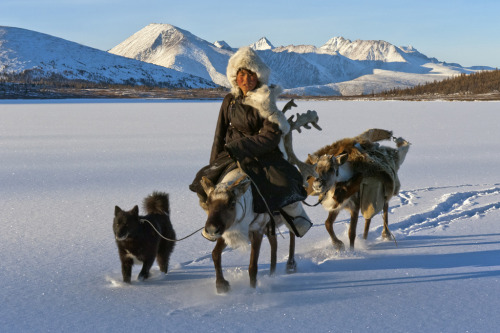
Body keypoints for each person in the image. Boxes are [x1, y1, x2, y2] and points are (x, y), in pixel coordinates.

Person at [189, 47, 312, 237]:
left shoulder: (266, 100)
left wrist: (240, 147)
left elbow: (271, 136)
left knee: (286, 182)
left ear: (258, 76)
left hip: (261, 156)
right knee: (202, 181)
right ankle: (214, 221)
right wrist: (213, 163)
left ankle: (297, 219)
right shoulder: (229, 100)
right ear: (235, 77)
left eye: (251, 75)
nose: (246, 80)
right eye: (242, 74)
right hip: (229, 155)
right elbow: (219, 134)